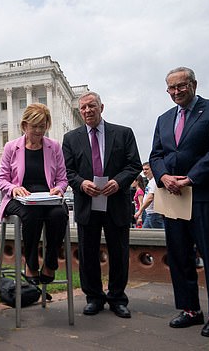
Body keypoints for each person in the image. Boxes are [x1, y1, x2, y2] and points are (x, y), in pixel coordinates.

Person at [149, 66, 209, 337]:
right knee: (179, 255)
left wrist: (190, 178)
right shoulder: (163, 119)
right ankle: (189, 310)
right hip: (173, 197)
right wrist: (163, 177)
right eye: (171, 88)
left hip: (204, 195)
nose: (175, 92)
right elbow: (156, 155)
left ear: (193, 84)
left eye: (180, 86)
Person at [62, 91, 141, 319]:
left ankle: (117, 297)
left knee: (119, 252)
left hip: (116, 201)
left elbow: (133, 164)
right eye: (83, 108)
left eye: (91, 106)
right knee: (88, 253)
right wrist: (81, 183)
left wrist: (119, 182)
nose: (87, 111)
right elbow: (67, 171)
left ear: (101, 107)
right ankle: (94, 297)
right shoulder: (71, 138)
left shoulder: (123, 133)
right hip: (87, 201)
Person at [0, 103, 68, 284]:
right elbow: (2, 179)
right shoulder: (11, 147)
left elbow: (62, 179)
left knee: (59, 214)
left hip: (48, 198)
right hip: (19, 199)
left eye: (42, 126)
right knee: (31, 213)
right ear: (24, 126)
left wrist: (58, 189)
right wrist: (14, 188)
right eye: (34, 126)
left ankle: (50, 263)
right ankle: (31, 264)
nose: (38, 131)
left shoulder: (54, 147)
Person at [137, 163, 163, 229]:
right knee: (143, 235)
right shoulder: (150, 181)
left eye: (146, 169)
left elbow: (150, 198)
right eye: (143, 170)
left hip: (154, 214)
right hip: (150, 214)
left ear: (152, 169)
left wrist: (140, 211)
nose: (144, 171)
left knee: (160, 236)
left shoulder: (154, 181)